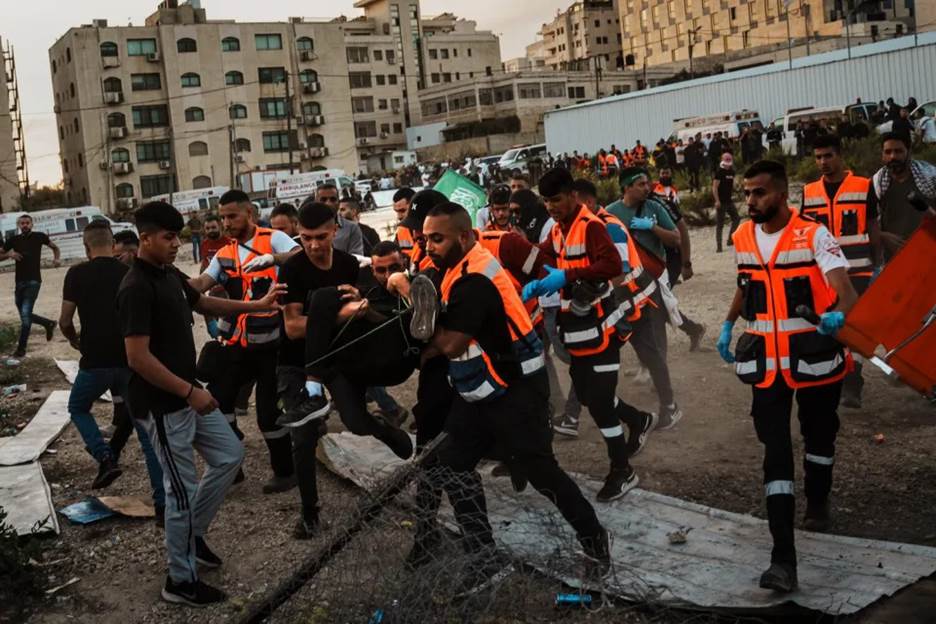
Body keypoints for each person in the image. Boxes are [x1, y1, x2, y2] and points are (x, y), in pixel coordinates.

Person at [408, 201, 610, 591]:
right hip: (481, 389)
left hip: (517, 392)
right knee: (452, 464)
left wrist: (412, 308)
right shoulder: (454, 268)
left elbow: (448, 345)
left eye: (437, 239)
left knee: (542, 473)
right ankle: (483, 556)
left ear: (465, 236)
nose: (429, 246)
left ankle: (595, 542)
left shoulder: (476, 279)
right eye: (425, 239)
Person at [118, 201, 283, 606]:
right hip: (162, 404)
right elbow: (137, 358)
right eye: (169, 238)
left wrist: (255, 306)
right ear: (146, 239)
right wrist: (190, 392)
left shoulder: (168, 273)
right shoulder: (136, 287)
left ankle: (192, 533)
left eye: (179, 237)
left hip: (187, 393)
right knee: (181, 491)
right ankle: (180, 580)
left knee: (229, 455)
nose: (177, 244)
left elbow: (205, 303)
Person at [716, 160, 858, 594]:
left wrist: (839, 316)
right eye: (746, 194)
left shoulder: (815, 234)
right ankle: (783, 560)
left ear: (781, 193)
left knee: (819, 438)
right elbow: (746, 281)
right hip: (767, 369)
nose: (751, 201)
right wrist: (727, 323)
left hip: (813, 359)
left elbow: (845, 290)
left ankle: (818, 501)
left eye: (758, 193)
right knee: (775, 454)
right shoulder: (742, 235)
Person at [275, 203, 414, 538]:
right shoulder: (292, 270)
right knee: (303, 436)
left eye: (320, 236)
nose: (313, 245)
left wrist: (359, 305)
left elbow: (367, 310)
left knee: (355, 420)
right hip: (295, 362)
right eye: (305, 238)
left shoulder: (351, 265)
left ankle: (384, 429)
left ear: (336, 230)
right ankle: (310, 513)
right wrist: (341, 313)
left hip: (336, 358)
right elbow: (293, 328)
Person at [523, 168, 656, 502]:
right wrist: (537, 276)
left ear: (572, 196)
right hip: (578, 327)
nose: (551, 207)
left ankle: (622, 470)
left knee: (598, 402)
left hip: (604, 327)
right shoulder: (558, 229)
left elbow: (612, 267)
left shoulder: (592, 226)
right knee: (587, 394)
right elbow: (547, 257)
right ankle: (638, 420)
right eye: (546, 201)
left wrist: (566, 275)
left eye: (556, 200)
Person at [188, 189, 300, 494]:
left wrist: (272, 259)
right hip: (234, 344)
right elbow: (201, 284)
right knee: (217, 403)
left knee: (268, 414)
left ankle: (285, 471)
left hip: (271, 344)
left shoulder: (272, 238)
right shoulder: (224, 254)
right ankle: (231, 467)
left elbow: (300, 256)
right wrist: (175, 281)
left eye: (231, 216)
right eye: (222, 217)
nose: (225, 222)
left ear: (249, 213)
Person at [59, 221, 165, 525]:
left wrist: (73, 339)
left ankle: (104, 456)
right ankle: (162, 505)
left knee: (78, 407)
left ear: (85, 245)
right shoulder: (128, 273)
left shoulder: (76, 273)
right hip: (131, 361)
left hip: (95, 362)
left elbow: (65, 320)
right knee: (146, 435)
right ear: (112, 244)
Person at [801, 134, 881, 408]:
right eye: (818, 157)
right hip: (824, 273)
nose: (823, 161)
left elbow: (873, 227)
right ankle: (835, 375)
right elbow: (803, 232)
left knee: (855, 325)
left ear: (840, 155)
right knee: (831, 326)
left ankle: (853, 379)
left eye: (828, 155)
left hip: (859, 269)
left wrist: (878, 264)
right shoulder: (809, 192)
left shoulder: (863, 186)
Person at [607, 168, 685, 428]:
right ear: (626, 187)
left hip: (653, 279)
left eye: (646, 183)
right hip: (623, 287)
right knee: (640, 335)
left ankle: (663, 389)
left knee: (656, 330)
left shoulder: (654, 207)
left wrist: (652, 226)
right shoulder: (610, 213)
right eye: (641, 184)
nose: (647, 187)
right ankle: (653, 375)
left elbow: (676, 238)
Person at [0, 214, 60, 357]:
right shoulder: (13, 240)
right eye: (22, 223)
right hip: (19, 282)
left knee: (26, 316)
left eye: (27, 222)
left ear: (32, 224)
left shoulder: (39, 236)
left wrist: (56, 259)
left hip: (34, 280)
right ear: (18, 225)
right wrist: (9, 255)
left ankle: (21, 349)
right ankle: (48, 323)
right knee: (24, 314)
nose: (25, 225)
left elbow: (55, 247)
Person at [872, 132, 936, 262]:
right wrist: (881, 236)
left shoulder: (930, 178)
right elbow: (866, 224)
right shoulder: (875, 184)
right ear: (882, 155)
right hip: (894, 263)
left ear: (909, 152)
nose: (893, 156)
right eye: (888, 152)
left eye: (898, 151)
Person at [315, 183, 364, 255]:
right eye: (323, 199)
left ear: (338, 202)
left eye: (333, 199)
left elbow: (356, 258)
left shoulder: (352, 228)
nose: (328, 203)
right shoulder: (307, 227)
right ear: (316, 202)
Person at [713, 153, 741, 253]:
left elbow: (732, 185)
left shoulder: (732, 172)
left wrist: (737, 189)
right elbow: (715, 187)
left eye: (729, 160)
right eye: (726, 160)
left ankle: (730, 239)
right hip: (721, 202)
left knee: (737, 218)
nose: (728, 162)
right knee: (720, 224)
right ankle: (719, 246)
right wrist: (717, 200)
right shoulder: (719, 172)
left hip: (729, 200)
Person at [392, 187, 417, 257]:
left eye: (402, 211)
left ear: (414, 207)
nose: (399, 217)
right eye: (396, 211)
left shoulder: (431, 230)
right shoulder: (401, 231)